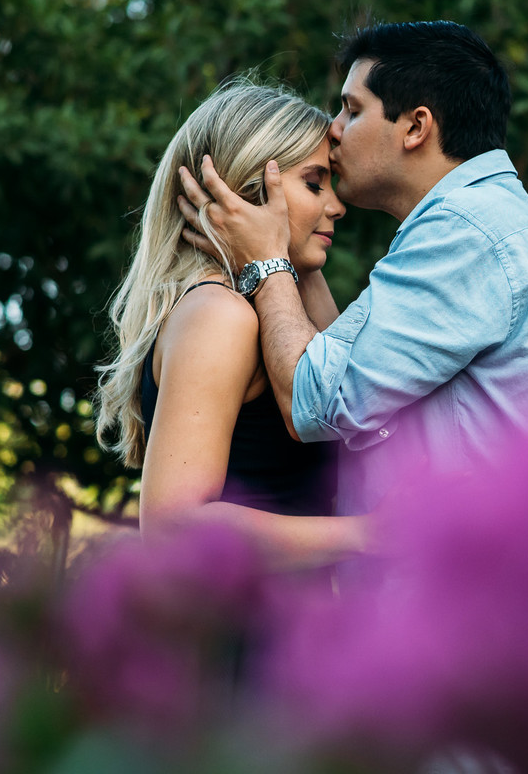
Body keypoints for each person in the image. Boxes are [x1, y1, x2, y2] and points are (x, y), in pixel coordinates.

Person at [177, 21, 528, 517]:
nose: (333, 128)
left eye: (352, 110)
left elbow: (316, 402)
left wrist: (267, 261)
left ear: (416, 127)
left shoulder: (465, 232)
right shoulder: (487, 222)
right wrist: (290, 247)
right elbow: (346, 368)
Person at [95, 80, 369, 570]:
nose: (336, 206)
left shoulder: (271, 302)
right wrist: (370, 535)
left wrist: (280, 256)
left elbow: (344, 398)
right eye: (314, 184)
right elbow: (174, 528)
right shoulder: (220, 316)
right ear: (247, 191)